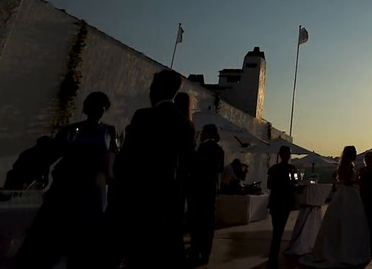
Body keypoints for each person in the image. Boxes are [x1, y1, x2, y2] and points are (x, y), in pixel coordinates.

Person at [13, 92, 118, 269]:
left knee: (82, 247)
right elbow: (51, 156)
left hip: (90, 194)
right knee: (49, 243)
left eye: (102, 105)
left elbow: (112, 165)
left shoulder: (109, 131)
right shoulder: (71, 130)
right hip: (67, 191)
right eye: (96, 104)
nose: (99, 109)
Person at [108, 69, 196, 269]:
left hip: (138, 202)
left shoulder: (144, 116)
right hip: (169, 204)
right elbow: (188, 167)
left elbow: (124, 161)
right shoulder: (185, 124)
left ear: (158, 89)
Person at [301, 145, 370, 267]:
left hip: (343, 194)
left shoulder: (344, 165)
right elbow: (347, 181)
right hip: (349, 196)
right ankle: (345, 252)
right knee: (350, 222)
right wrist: (356, 181)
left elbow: (337, 177)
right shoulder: (348, 166)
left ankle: (337, 250)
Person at [186, 124, 224, 267]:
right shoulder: (219, 150)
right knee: (208, 225)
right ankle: (205, 253)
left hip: (199, 191)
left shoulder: (203, 149)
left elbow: (194, 165)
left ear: (207, 133)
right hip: (210, 192)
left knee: (197, 223)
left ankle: (196, 251)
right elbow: (219, 169)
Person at [266, 145, 296, 268]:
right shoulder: (292, 169)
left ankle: (273, 256)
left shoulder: (273, 169)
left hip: (275, 202)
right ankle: (273, 256)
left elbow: (269, 185)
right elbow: (295, 183)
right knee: (279, 230)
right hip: (285, 203)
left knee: (277, 230)